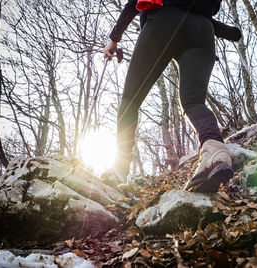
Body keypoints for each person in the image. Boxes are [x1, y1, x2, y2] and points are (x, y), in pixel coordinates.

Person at [102, 0, 242, 193]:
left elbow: (134, 2)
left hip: (162, 22)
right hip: (203, 30)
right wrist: (233, 33)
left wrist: (114, 38)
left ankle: (119, 170)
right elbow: (192, 12)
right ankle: (215, 151)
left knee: (130, 102)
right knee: (193, 101)